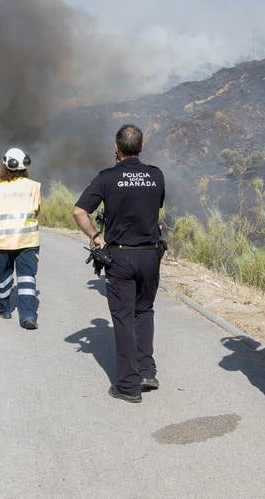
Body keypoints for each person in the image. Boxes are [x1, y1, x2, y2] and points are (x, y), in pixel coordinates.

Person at [72, 123, 165, 403]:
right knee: (144, 310)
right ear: (141, 147)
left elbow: (79, 211)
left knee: (123, 317)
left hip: (121, 256)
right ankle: (147, 371)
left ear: (116, 148)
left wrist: (95, 237)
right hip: (150, 255)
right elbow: (155, 207)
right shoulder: (156, 175)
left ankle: (128, 385)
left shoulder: (107, 178)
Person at [0, 148, 42, 329]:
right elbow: (37, 210)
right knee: (27, 278)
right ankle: (28, 317)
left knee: (4, 275)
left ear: (6, 165)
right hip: (28, 241)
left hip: (4, 241)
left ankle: (4, 309)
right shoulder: (34, 186)